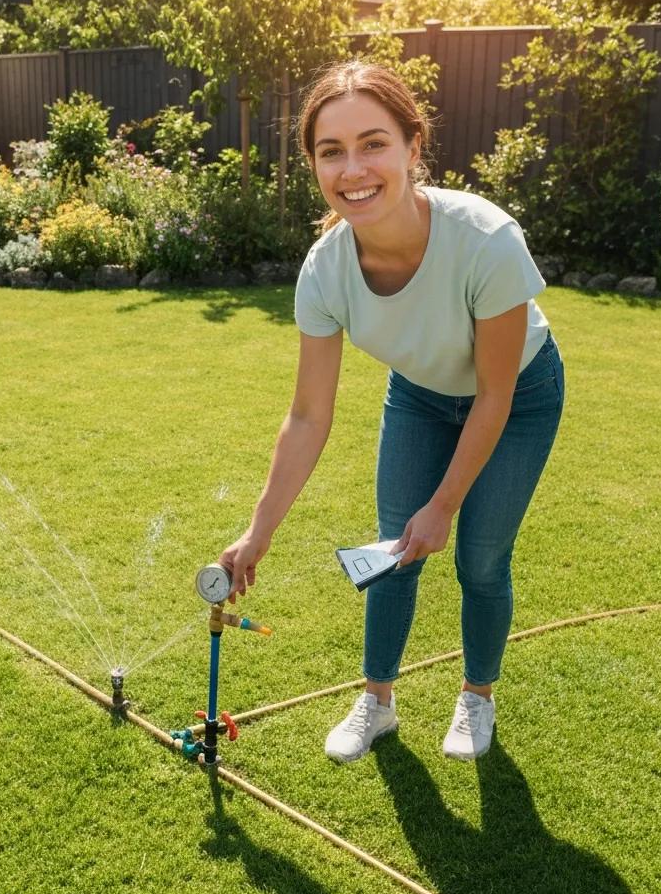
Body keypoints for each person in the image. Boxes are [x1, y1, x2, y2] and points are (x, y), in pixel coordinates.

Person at [218, 61, 564, 763]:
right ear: (314, 163)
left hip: (519, 398)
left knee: (480, 558)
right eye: (331, 151)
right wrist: (259, 532)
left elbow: (493, 394)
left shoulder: (485, 239)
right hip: (419, 394)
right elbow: (309, 415)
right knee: (391, 555)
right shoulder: (326, 270)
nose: (353, 169)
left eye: (373, 143)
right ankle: (377, 700)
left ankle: (476, 696)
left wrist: (443, 503)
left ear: (413, 146)